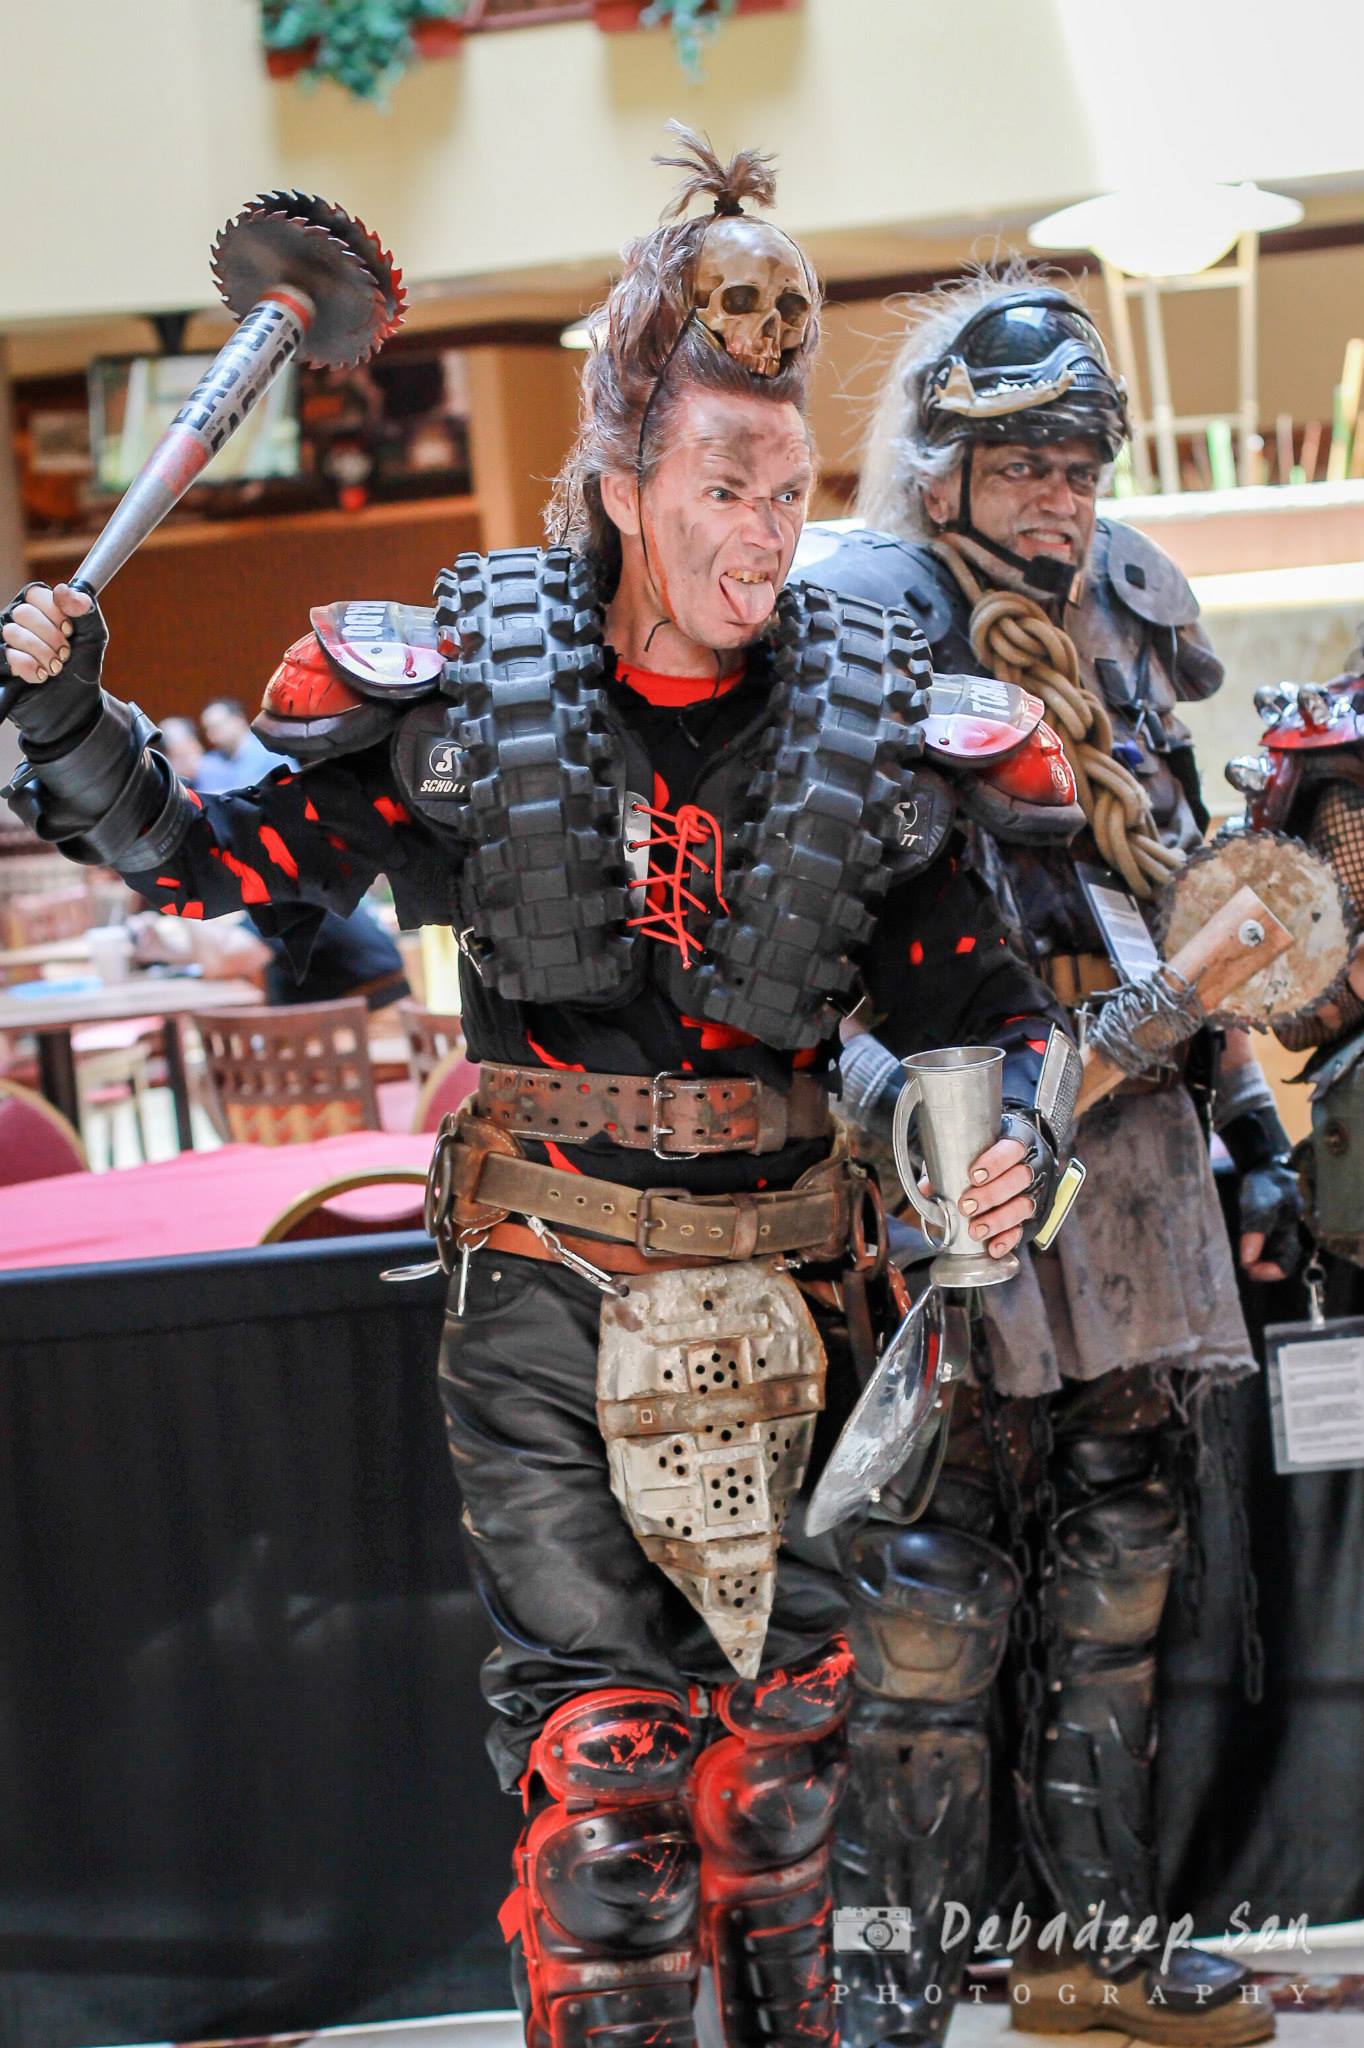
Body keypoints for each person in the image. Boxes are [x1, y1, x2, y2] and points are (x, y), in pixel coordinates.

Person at [1, 139, 1066, 2048]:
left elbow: (991, 1008)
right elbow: (205, 857)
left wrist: (1015, 1142)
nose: (764, 532)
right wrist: (70, 717)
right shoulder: (465, 701)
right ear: (623, 482)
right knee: (608, 1809)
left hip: (802, 1289)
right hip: (546, 1289)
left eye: (787, 489)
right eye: (722, 486)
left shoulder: (876, 714)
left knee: (784, 1768)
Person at [795, 270, 1290, 2046]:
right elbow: (799, 940)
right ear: (941, 468)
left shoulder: (1126, 612)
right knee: (930, 1610)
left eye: (1076, 467)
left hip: (1135, 1149)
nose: (1058, 499)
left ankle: (1097, 1948)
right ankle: (898, 1982)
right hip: (951, 1160)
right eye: (1021, 465)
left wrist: (1247, 1128)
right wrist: (882, 1117)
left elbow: (1181, 891)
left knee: (1118, 1577)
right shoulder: (856, 613)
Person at [196, 695, 294, 791]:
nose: (211, 735)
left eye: (217, 727)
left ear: (239, 720)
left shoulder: (271, 751)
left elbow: (292, 788)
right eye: (207, 730)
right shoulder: (208, 764)